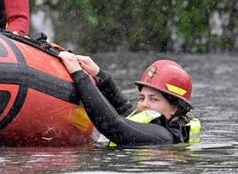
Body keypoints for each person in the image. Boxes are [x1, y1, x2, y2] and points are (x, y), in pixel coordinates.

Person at [58, 51, 202, 146]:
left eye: (154, 99)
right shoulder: (160, 124)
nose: (144, 104)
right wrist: (100, 75)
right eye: (141, 98)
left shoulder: (164, 137)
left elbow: (113, 125)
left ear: (174, 108)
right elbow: (124, 109)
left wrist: (79, 75)